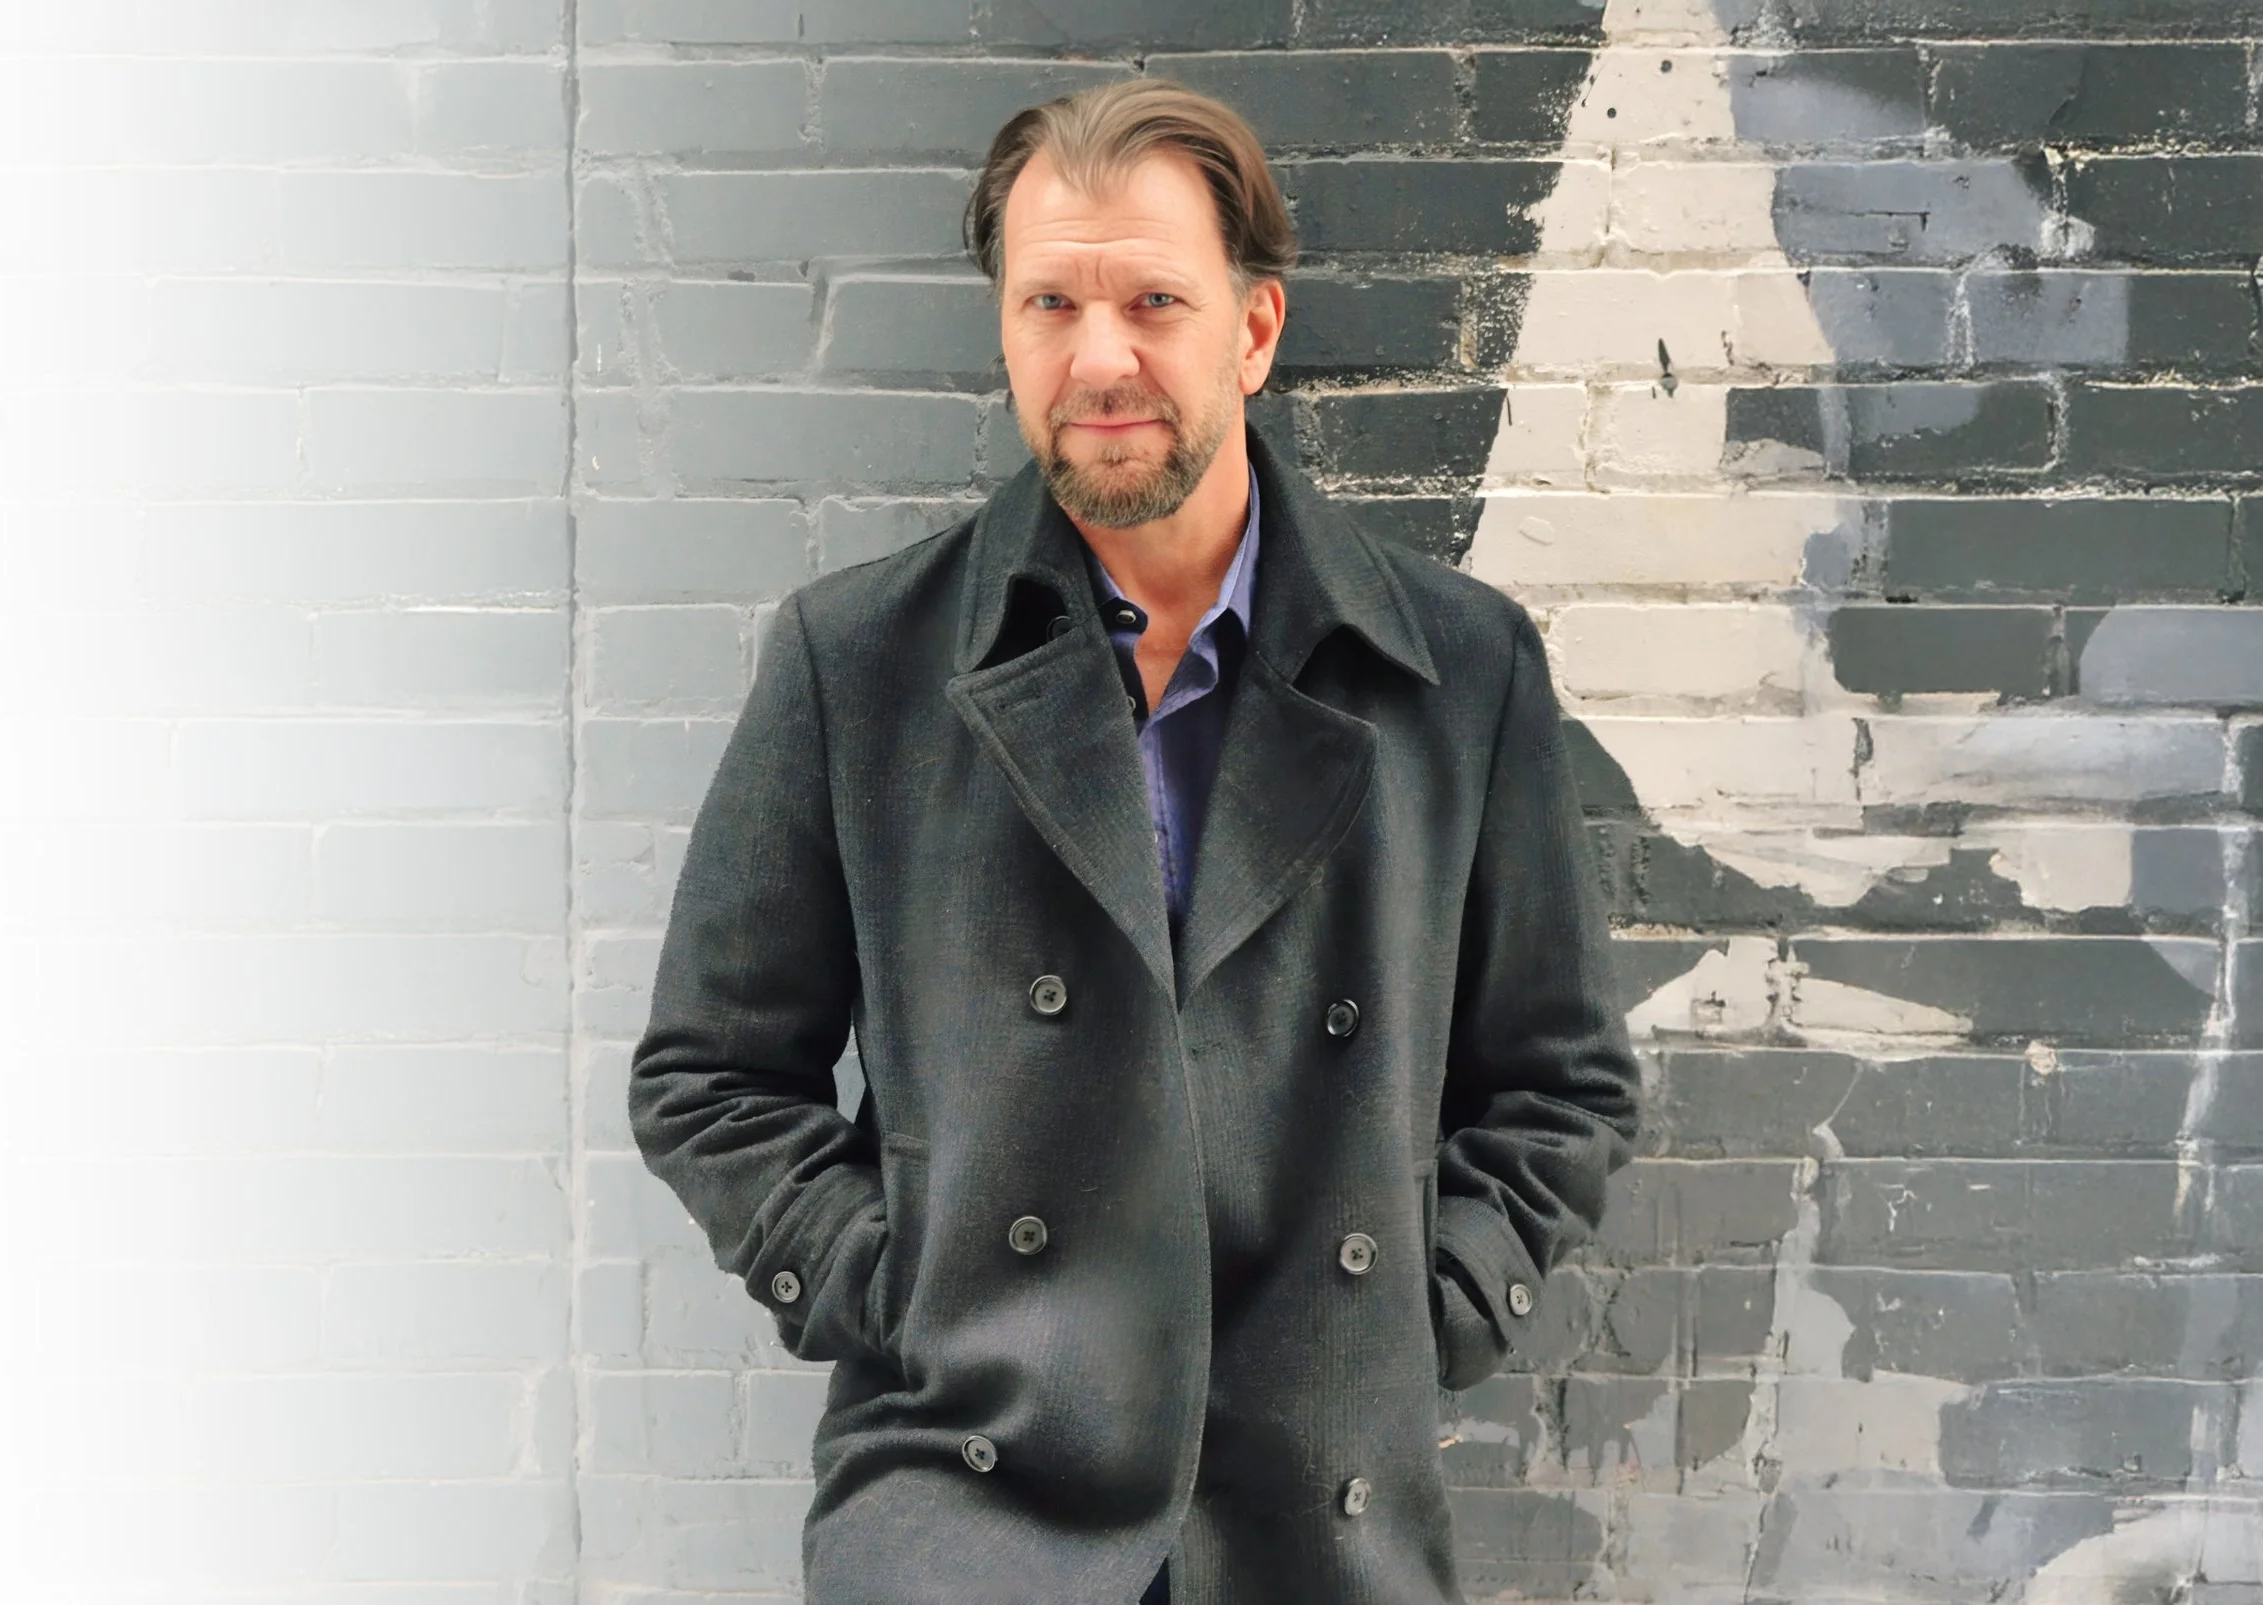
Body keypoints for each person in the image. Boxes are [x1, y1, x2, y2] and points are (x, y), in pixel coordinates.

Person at [627, 79, 1644, 1605]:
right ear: (1006, 330)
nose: (1099, 359)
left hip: (1320, 1528)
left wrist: (1421, 1311)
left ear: (1254, 330)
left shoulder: (1459, 673)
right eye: (1051, 303)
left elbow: (1563, 1082)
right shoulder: (859, 664)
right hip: (968, 1519)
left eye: (1153, 302)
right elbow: (708, 1077)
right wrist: (902, 1290)